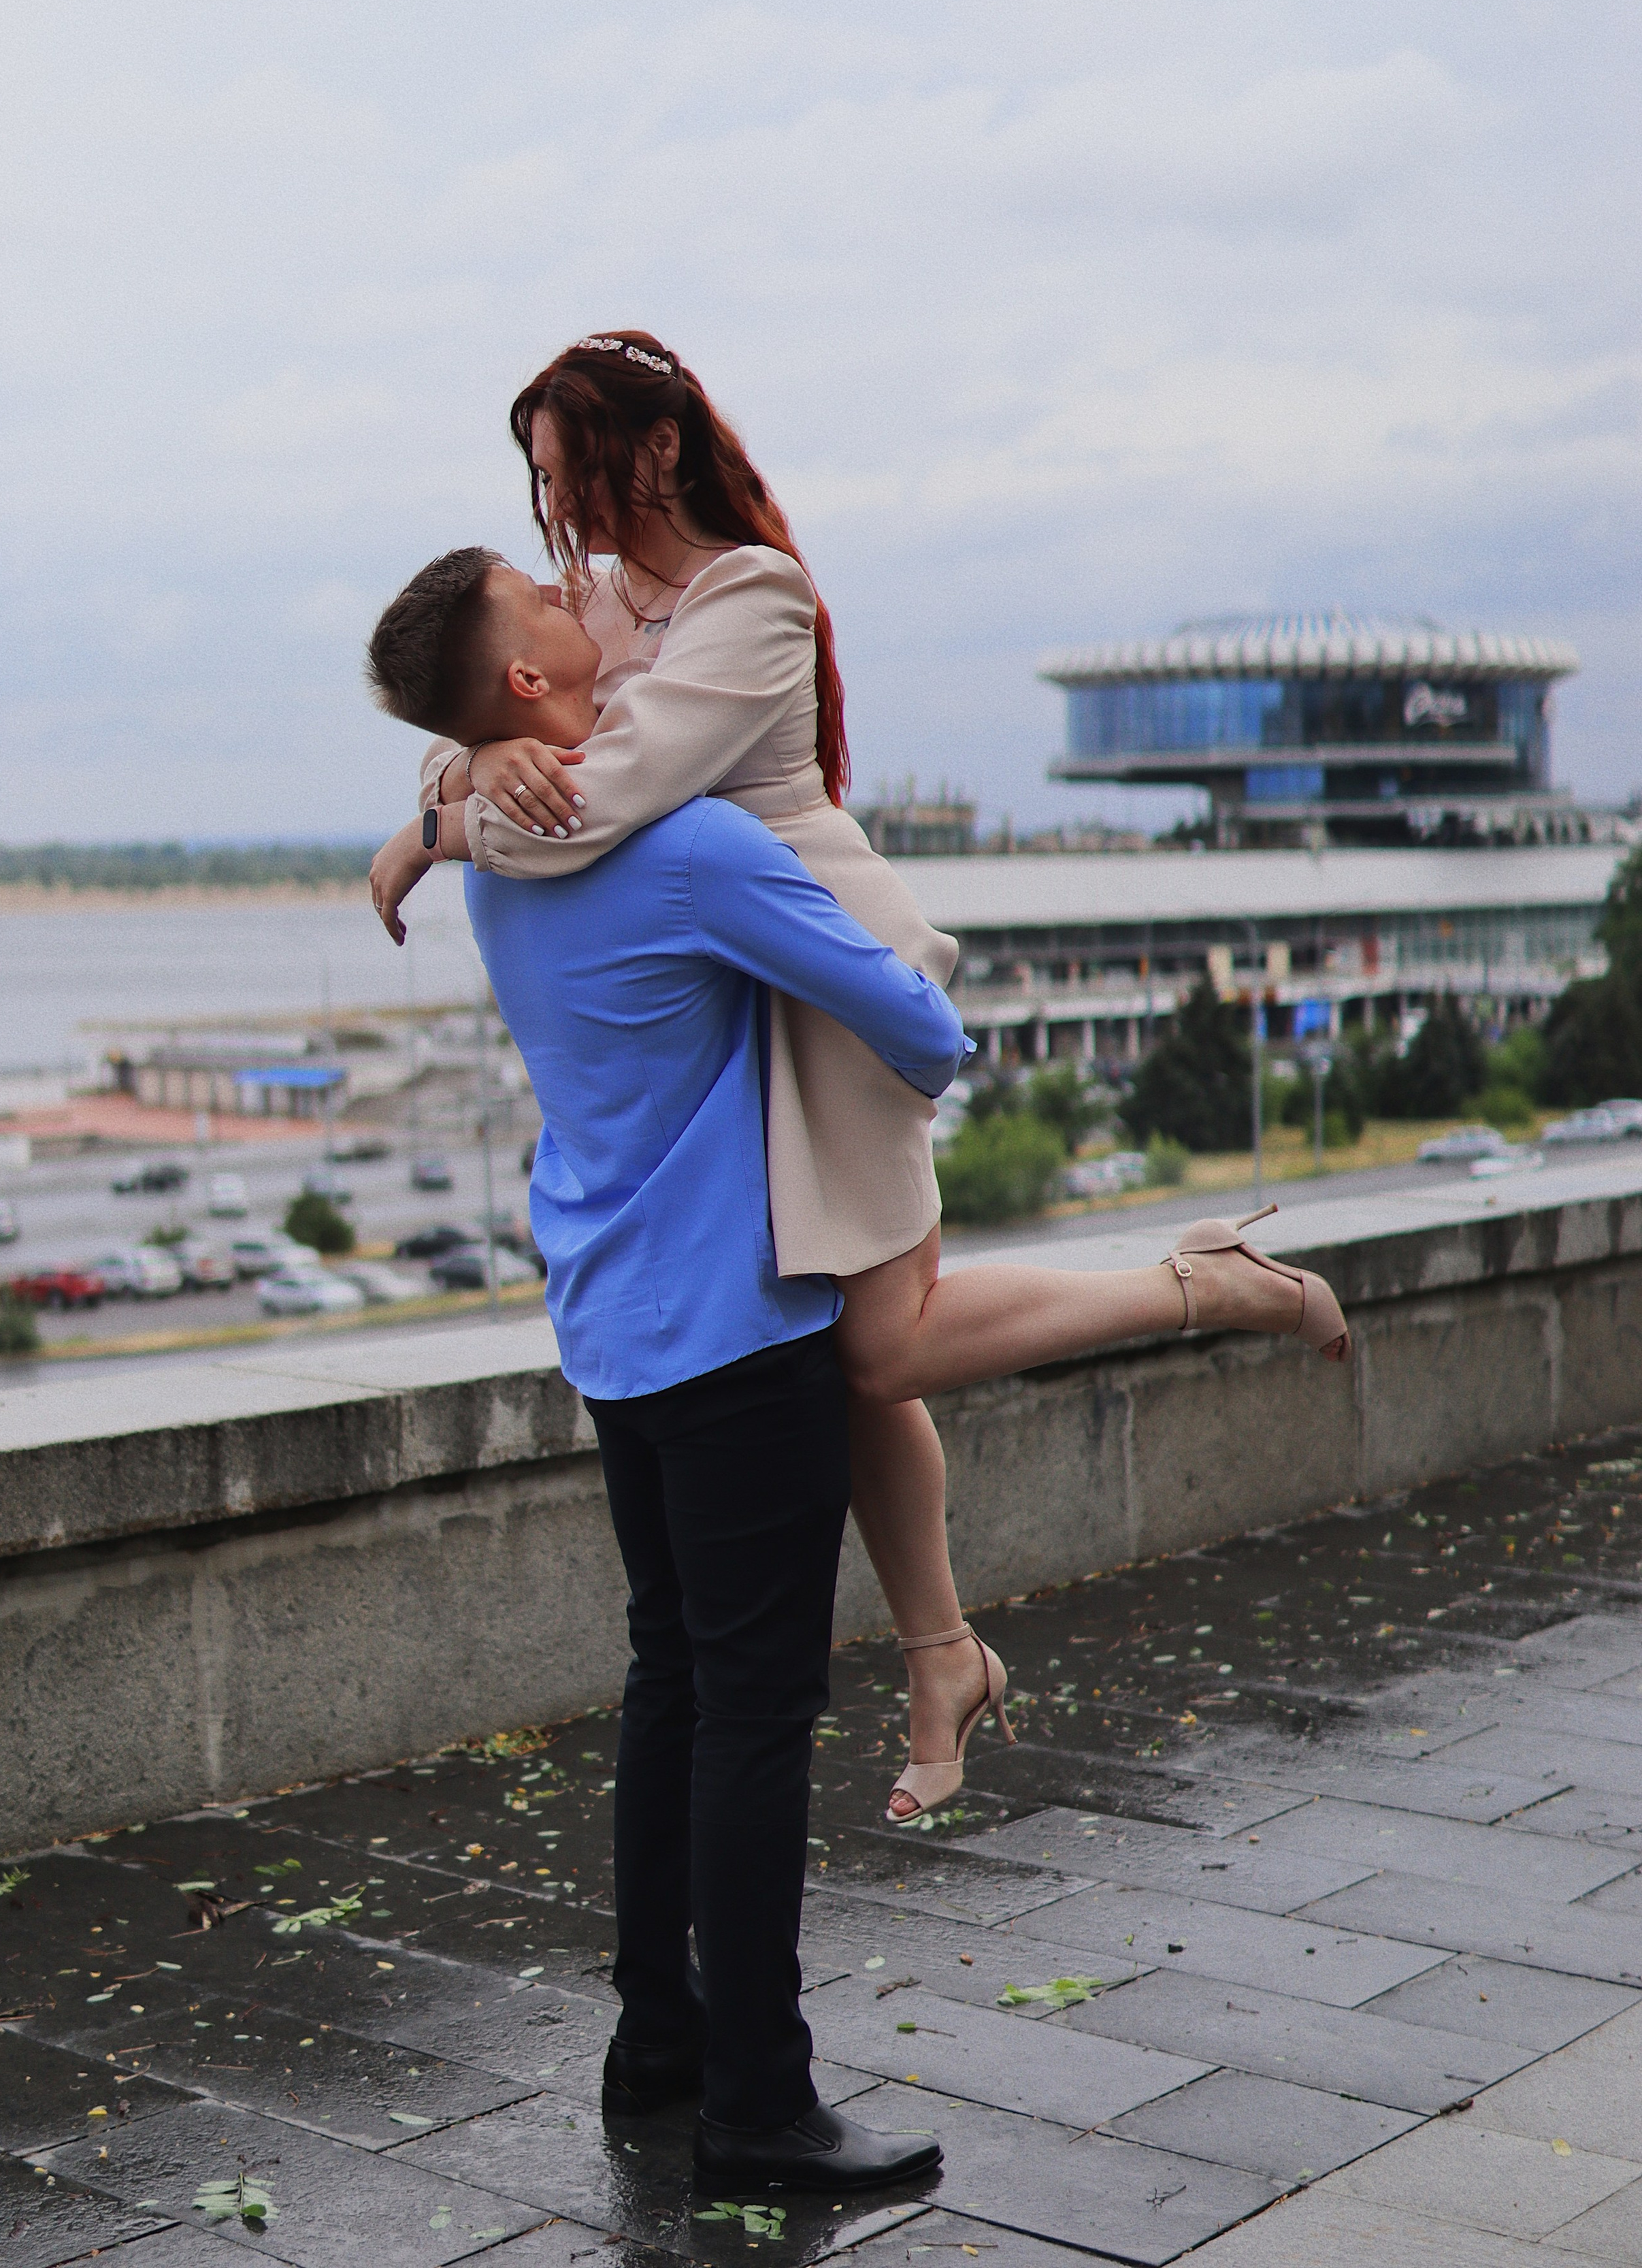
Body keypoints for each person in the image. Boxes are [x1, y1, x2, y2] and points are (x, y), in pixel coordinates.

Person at [368, 334, 1351, 1822]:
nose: (553, 511)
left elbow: (599, 798)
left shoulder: (749, 595)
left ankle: (1205, 1285)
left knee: (882, 1349)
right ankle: (942, 1654)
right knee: (836, 1349)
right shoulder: (597, 606)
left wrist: (439, 826)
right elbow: (497, 715)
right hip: (731, 989)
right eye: (540, 481)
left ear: (654, 451)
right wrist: (458, 770)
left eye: (569, 472)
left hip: (830, 984)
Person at [367, 549, 962, 2192]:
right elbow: (916, 1024)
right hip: (740, 1332)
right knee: (756, 1715)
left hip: (616, 1331)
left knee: (671, 1684)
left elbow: (473, 804)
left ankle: (657, 2048)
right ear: (528, 682)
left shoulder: (499, 858)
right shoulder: (691, 848)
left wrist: (449, 791)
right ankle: (760, 2104)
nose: (581, 597)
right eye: (542, 597)